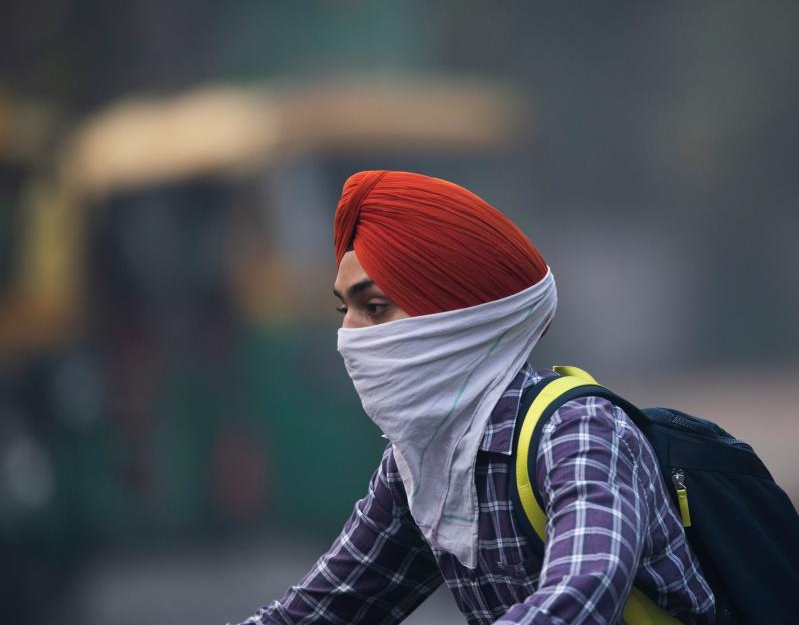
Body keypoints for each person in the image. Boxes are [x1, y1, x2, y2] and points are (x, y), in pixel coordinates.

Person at [234, 170, 715, 625]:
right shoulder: (419, 468)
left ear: (455, 320)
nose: (347, 335)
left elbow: (582, 591)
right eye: (345, 308)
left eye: (374, 307)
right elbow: (323, 609)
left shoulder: (578, 431)